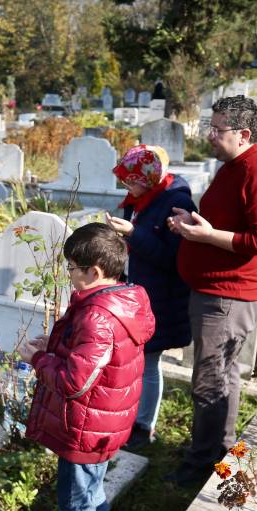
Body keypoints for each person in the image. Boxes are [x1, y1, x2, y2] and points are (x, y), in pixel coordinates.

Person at [18, 223, 154, 511]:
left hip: (84, 427)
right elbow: (94, 360)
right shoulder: (122, 301)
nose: (69, 274)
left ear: (94, 272)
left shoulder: (97, 315)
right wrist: (56, 346)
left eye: (73, 267)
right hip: (104, 422)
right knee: (93, 497)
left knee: (76, 509)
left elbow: (76, 382)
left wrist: (38, 359)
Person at [165, 95, 257, 490]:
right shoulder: (232, 167)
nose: (210, 136)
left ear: (245, 133)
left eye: (218, 130)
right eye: (210, 128)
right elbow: (225, 221)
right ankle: (220, 452)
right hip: (214, 292)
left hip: (228, 298)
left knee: (210, 381)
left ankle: (200, 467)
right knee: (221, 378)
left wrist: (207, 235)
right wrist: (192, 222)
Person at [105, 145, 196, 448]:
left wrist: (133, 232)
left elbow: (172, 259)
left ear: (149, 176)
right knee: (134, 361)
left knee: (149, 361)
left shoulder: (176, 201)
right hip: (136, 291)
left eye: (130, 180)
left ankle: (144, 426)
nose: (125, 186)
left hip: (159, 297)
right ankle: (131, 416)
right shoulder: (141, 198)